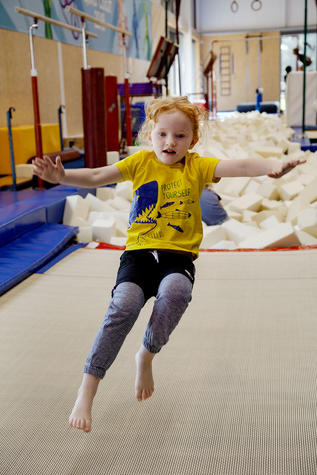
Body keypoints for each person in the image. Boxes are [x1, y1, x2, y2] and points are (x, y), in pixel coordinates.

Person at [33, 96, 305, 433]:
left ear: (192, 140)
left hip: (178, 257)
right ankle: (87, 390)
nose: (170, 142)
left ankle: (146, 353)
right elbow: (98, 175)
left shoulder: (196, 166)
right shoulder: (140, 162)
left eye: (180, 136)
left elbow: (239, 166)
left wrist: (272, 168)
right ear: (151, 135)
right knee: (124, 305)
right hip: (139, 254)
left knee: (176, 291)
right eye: (163, 134)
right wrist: (62, 176)